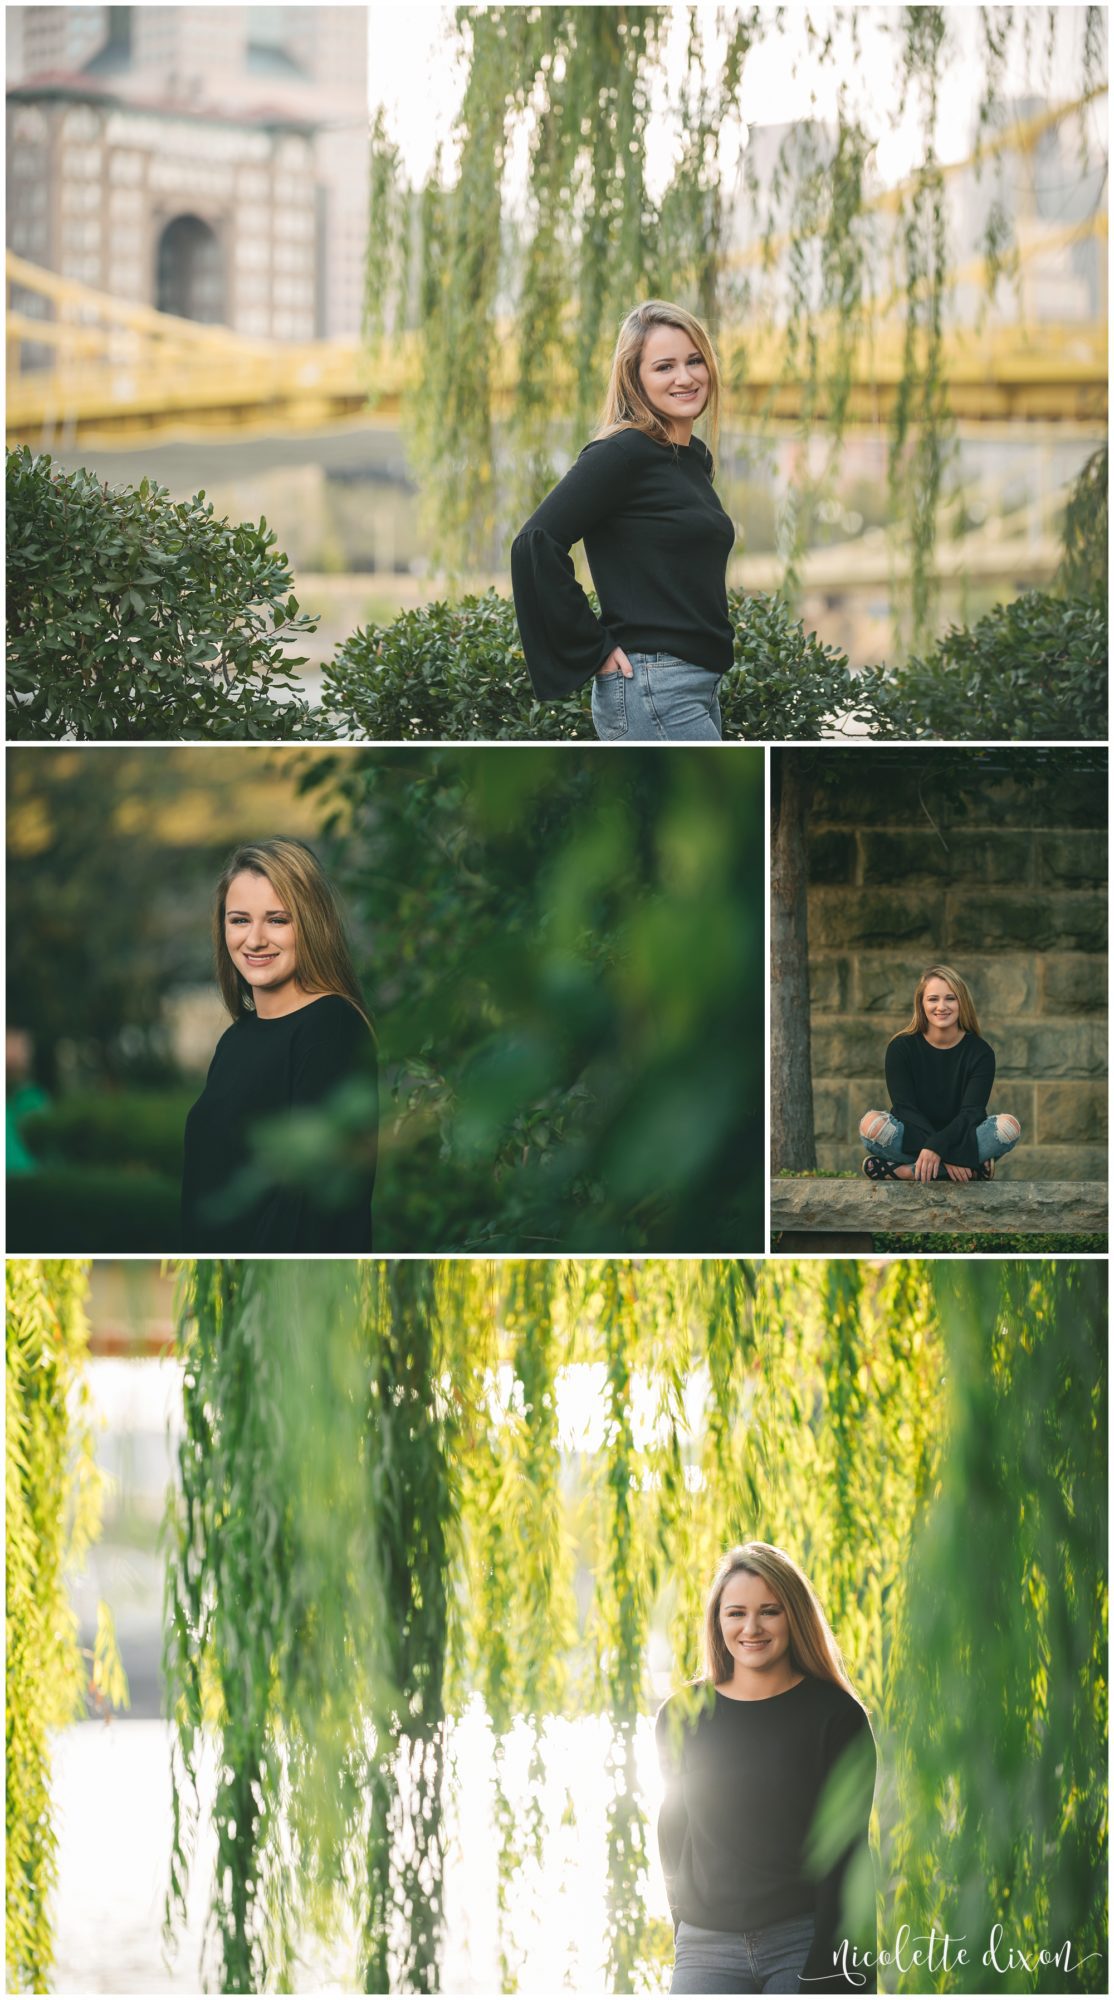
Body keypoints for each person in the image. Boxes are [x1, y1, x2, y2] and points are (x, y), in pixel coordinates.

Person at [656, 1542, 876, 1996]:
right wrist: (683, 1919)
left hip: (802, 1939)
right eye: (735, 1613)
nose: (751, 1628)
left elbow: (848, 1852)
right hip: (705, 1947)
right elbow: (673, 1826)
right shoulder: (682, 1715)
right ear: (718, 1621)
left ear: (794, 1615)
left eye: (769, 1611)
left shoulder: (836, 1717)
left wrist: (831, 1965)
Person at [511, 299, 736, 741]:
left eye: (694, 361)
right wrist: (592, 648)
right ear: (635, 378)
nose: (685, 377)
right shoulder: (622, 453)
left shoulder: (693, 459)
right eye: (664, 366)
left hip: (699, 683)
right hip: (652, 684)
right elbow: (535, 541)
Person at [181, 838, 377, 1251]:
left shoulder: (331, 1027)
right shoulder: (236, 1040)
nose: (254, 940)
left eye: (277, 919)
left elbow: (312, 1202)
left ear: (310, 924)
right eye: (239, 920)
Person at [858, 965, 1021, 1182]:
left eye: (950, 999)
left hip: (961, 1135)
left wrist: (939, 1147)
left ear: (961, 1002)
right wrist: (941, 1149)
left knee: (1008, 1128)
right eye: (933, 999)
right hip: (915, 1136)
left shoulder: (980, 1052)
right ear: (921, 1004)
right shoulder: (901, 1048)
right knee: (871, 1125)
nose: (941, 1006)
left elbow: (971, 1113)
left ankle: (907, 1172)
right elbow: (905, 1109)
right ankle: (968, 1169)